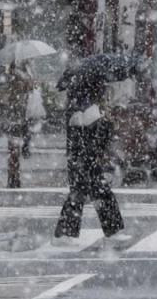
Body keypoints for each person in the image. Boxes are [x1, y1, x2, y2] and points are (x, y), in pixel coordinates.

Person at [53, 72, 125, 241]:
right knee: (95, 192)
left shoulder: (81, 109)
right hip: (86, 159)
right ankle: (111, 230)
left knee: (82, 193)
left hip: (82, 159)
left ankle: (65, 233)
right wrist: (107, 123)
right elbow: (96, 139)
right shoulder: (86, 112)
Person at [0, 63, 34, 189]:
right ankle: (14, 176)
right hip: (15, 119)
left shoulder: (9, 78)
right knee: (14, 149)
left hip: (14, 118)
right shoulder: (20, 77)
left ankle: (13, 176)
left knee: (13, 149)